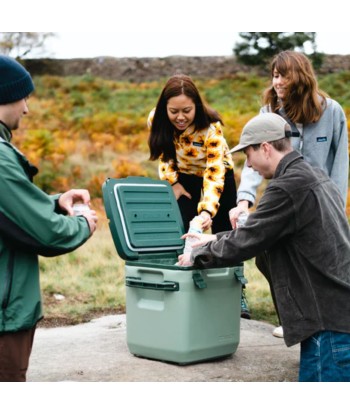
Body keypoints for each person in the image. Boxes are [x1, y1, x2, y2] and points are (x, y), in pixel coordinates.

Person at [178, 113, 350, 382]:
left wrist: (197, 255)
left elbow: (248, 241)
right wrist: (213, 239)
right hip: (335, 313)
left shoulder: (286, 187)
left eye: (248, 154)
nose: (248, 164)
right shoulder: (311, 175)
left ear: (265, 148)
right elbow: (263, 230)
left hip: (326, 322)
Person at [229, 50, 349, 336]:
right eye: (274, 75)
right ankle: (291, 317)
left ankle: (322, 319)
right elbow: (252, 160)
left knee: (318, 262)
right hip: (283, 200)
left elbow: (340, 164)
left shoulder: (332, 111)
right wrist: (244, 200)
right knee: (268, 257)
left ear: (301, 77)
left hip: (320, 203)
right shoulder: (268, 114)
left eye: (283, 75)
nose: (277, 81)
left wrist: (334, 208)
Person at [0, 55, 98, 382]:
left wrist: (56, 201)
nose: (26, 108)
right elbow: (46, 234)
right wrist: (83, 222)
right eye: (23, 97)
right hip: (4, 315)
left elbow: (9, 208)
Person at [148, 74, 250, 319]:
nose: (180, 117)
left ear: (197, 106)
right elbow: (163, 153)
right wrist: (171, 183)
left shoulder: (211, 129)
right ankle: (187, 286)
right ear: (165, 108)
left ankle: (236, 292)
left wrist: (206, 211)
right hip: (184, 178)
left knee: (226, 233)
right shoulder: (156, 119)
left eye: (187, 110)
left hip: (218, 174)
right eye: (174, 111)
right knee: (184, 229)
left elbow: (214, 174)